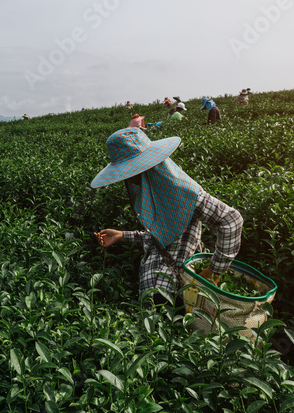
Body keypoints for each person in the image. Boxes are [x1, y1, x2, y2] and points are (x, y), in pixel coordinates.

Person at [91, 127, 243, 305]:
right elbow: (162, 235)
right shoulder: (154, 190)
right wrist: (122, 235)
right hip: (157, 281)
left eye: (130, 172)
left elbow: (232, 221)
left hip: (169, 290)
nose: (127, 178)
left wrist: (214, 271)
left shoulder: (185, 194)